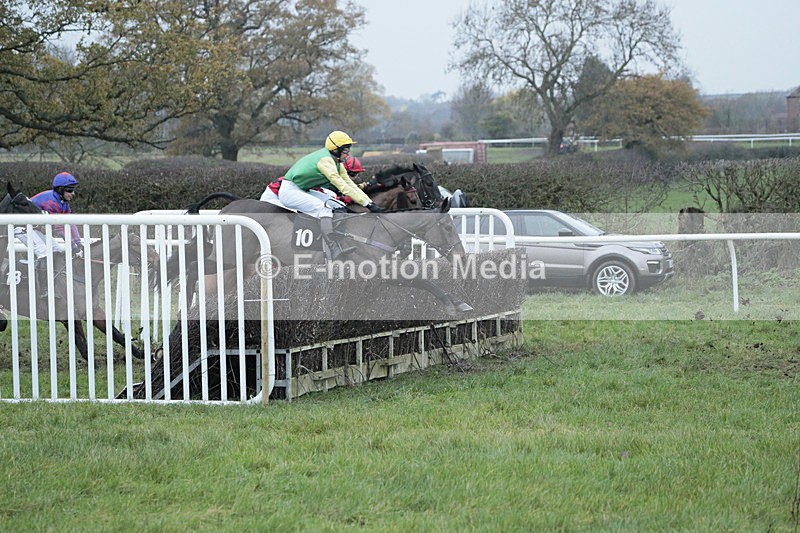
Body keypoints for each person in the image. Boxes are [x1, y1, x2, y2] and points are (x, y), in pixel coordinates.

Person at [278, 131, 383, 260]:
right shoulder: (325, 161)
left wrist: (370, 203)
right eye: (345, 151)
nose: (348, 154)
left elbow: (350, 185)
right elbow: (342, 187)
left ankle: (339, 239)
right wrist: (367, 204)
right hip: (289, 191)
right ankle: (333, 248)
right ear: (335, 150)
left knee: (337, 205)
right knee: (324, 208)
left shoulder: (338, 164)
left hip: (303, 189)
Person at [31, 172, 81, 251]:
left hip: (37, 228)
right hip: (24, 227)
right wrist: (73, 246)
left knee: (57, 250)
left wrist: (79, 243)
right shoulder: (52, 202)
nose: (73, 194)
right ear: (60, 190)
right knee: (44, 251)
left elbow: (70, 223)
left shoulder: (63, 201)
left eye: (73, 190)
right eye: (70, 190)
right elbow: (59, 227)